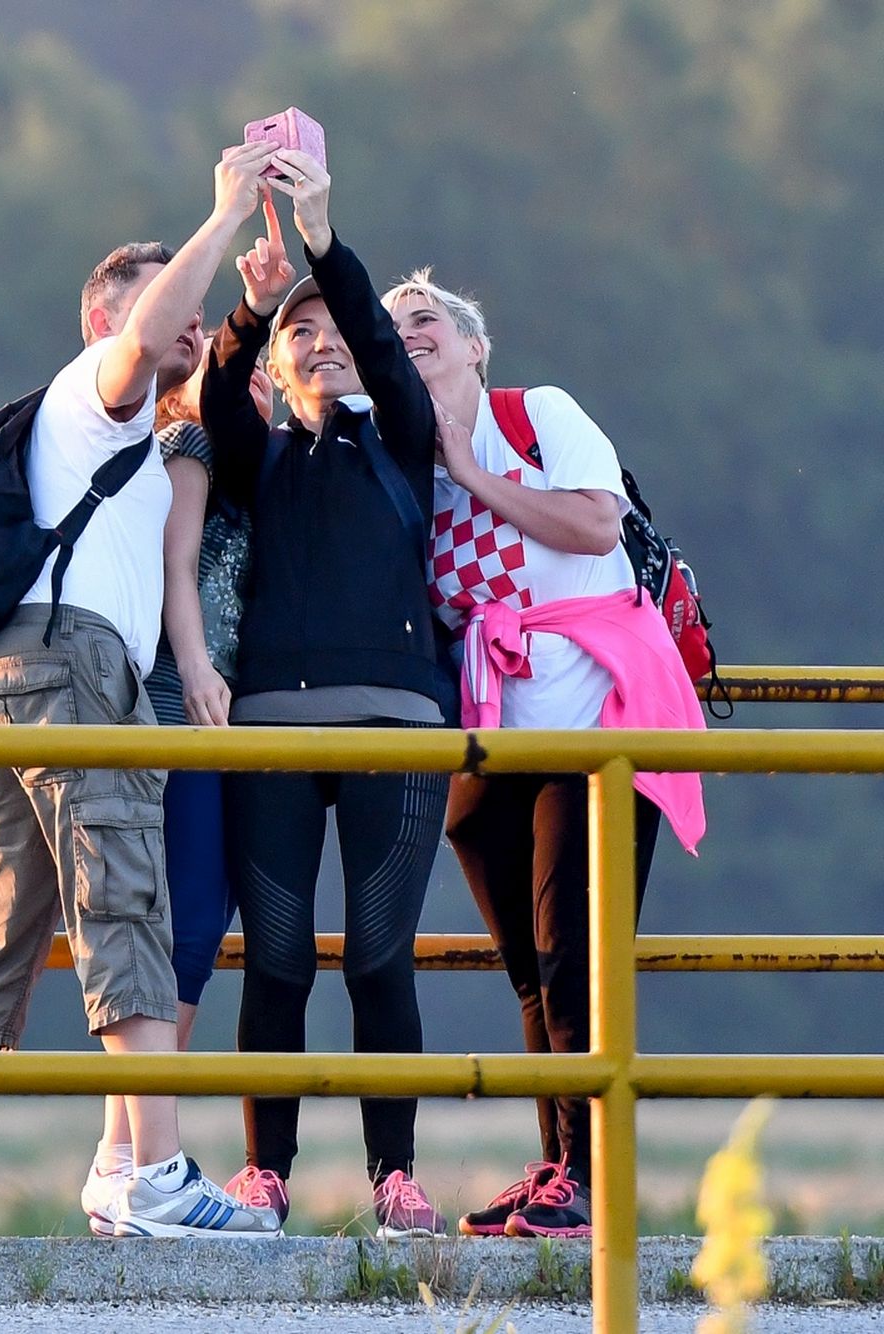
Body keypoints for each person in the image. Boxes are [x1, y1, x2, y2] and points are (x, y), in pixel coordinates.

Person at [0, 140, 287, 1242]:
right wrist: (223, 213)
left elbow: (200, 379)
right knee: (123, 898)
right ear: (108, 324)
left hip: (11, 675)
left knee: (5, 926)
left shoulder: (143, 437)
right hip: (66, 671)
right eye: (165, 312)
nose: (183, 331)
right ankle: (151, 1176)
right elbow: (151, 336)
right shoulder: (95, 396)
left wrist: (244, 312)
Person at [383, 269, 706, 1239]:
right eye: (389, 327)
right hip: (494, 729)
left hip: (601, 718)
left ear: (476, 344)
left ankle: (589, 1175)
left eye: (426, 320)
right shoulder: (398, 463)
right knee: (529, 965)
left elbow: (593, 522)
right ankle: (556, 1163)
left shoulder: (537, 415)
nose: (409, 335)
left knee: (574, 951)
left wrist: (474, 472)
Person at [200, 152, 453, 1239]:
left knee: (381, 953)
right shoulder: (258, 456)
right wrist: (251, 307)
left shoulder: (401, 439)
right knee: (279, 954)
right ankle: (264, 1175)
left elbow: (388, 353)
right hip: (268, 729)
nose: (321, 339)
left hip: (396, 723)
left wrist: (318, 241)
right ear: (277, 357)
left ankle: (393, 1175)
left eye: (332, 326)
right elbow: (213, 401)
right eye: (298, 332)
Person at [78, 335, 266, 1235]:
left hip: (214, 707)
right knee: (185, 916)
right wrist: (193, 669)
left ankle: (125, 1157)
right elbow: (178, 566)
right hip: (179, 702)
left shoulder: (237, 451)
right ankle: (135, 1158)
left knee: (195, 913)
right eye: (251, 368)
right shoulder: (188, 437)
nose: (261, 383)